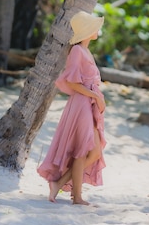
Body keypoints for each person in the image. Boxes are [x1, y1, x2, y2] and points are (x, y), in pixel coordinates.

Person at [37, 11, 107, 205]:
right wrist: (94, 96)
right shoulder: (77, 51)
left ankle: (58, 184)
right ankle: (76, 196)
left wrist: (97, 99)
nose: (97, 29)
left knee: (94, 152)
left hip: (88, 104)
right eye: (94, 26)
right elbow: (72, 82)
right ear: (87, 31)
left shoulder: (85, 51)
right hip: (82, 104)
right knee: (83, 150)